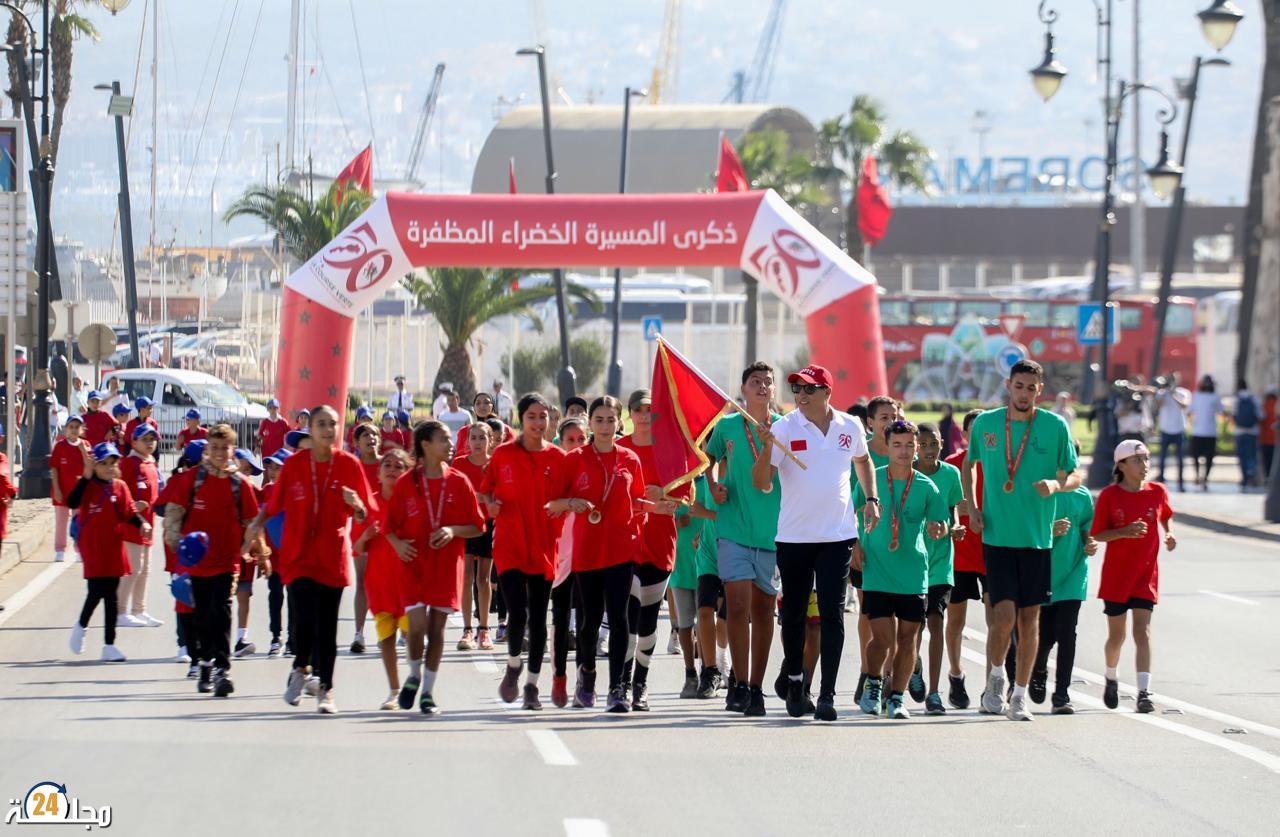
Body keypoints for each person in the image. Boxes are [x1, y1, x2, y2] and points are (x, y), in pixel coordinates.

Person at [752, 365, 880, 721]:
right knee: (793, 613)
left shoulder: (849, 426)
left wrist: (871, 498)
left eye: (809, 388)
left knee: (832, 614)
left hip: (837, 536)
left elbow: (863, 460)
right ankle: (796, 681)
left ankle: (826, 695)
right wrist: (766, 449)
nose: (801, 395)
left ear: (827, 392)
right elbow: (762, 482)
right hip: (794, 537)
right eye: (797, 389)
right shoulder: (783, 428)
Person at [963, 359, 1081, 722]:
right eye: (1019, 386)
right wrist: (972, 507)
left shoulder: (1054, 426)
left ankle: (1019, 695)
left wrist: (1057, 484)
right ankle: (996, 680)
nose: (1024, 393)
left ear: (1039, 391)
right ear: (1008, 385)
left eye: (1031, 388)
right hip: (998, 537)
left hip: (1037, 540)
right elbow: (969, 464)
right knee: (1003, 618)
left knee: (1030, 620)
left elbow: (1075, 475)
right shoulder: (987, 424)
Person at [248, 405, 376, 715]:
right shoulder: (294, 465)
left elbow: (366, 512)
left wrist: (357, 505)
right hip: (299, 555)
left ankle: (326, 689)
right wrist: (256, 525)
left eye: (333, 424)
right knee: (303, 618)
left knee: (327, 626)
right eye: (321, 424)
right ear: (311, 428)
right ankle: (300, 669)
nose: (328, 430)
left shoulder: (348, 464)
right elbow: (274, 504)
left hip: (332, 556)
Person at [549, 395, 647, 711]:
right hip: (588, 550)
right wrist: (571, 503)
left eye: (611, 420)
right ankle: (587, 675)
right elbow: (552, 503)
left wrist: (656, 507)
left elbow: (637, 501)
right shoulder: (574, 459)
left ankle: (617, 688)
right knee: (590, 619)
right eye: (599, 420)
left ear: (620, 423)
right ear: (590, 422)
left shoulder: (630, 459)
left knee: (618, 618)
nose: (605, 426)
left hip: (621, 549)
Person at [387, 421, 484, 715]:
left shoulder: (459, 481)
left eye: (450, 439)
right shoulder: (407, 482)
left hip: (445, 567)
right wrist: (397, 545)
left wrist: (453, 531)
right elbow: (389, 526)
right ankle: (414, 675)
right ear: (425, 445)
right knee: (416, 628)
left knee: (437, 630)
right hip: (413, 565)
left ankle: (428, 692)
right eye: (443, 439)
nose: (450, 443)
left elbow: (478, 526)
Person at [854, 420, 949, 719]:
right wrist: (855, 544)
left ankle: (896, 697)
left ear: (917, 448)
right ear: (887, 447)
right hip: (877, 570)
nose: (904, 451)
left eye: (909, 445)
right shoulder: (871, 480)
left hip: (913, 574)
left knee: (908, 640)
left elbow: (941, 522)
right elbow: (847, 513)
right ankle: (873, 683)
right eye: (897, 445)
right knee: (882, 639)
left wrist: (939, 529)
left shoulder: (926, 486)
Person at [482, 394, 570, 709]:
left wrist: (564, 504)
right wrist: (490, 505)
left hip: (545, 546)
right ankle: (513, 665)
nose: (538, 422)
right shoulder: (503, 454)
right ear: (521, 419)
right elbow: (485, 492)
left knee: (538, 618)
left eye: (542, 416)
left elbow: (570, 496)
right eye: (531, 416)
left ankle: (532, 685)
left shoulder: (558, 458)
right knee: (517, 613)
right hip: (509, 545)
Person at [705, 363, 782, 715]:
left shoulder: (785, 428)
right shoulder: (728, 426)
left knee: (764, 610)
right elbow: (707, 458)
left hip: (773, 532)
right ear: (744, 389)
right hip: (733, 529)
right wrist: (713, 486)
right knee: (736, 606)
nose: (762, 386)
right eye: (755, 382)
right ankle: (737, 681)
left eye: (768, 382)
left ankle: (755, 686)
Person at [164, 425, 264, 697]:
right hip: (197, 563)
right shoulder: (193, 479)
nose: (220, 453)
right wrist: (174, 541)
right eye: (215, 448)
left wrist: (258, 550)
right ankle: (205, 665)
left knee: (222, 612)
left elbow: (252, 522)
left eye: (225, 448)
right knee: (202, 616)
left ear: (233, 451)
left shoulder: (239, 484)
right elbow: (174, 513)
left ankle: (223, 669)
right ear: (207, 449)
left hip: (227, 562)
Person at [1091, 439, 1176, 714]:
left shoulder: (1157, 491)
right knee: (1117, 637)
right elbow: (1097, 534)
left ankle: (1144, 692)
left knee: (1143, 631)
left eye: (1146, 459)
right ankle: (1111, 676)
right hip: (1117, 578)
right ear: (1122, 465)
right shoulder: (1109, 496)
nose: (1145, 465)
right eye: (1138, 460)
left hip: (1145, 577)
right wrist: (1123, 532)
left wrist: (1169, 533)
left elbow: (1165, 515)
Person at [617, 389, 685, 711]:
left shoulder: (668, 451)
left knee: (647, 622)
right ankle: (621, 682)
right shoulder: (619, 449)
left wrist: (665, 493)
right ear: (630, 413)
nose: (644, 416)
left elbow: (686, 497)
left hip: (660, 543)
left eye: (650, 410)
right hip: (626, 544)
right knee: (628, 619)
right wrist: (643, 502)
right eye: (639, 410)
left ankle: (640, 684)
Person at [67, 442, 150, 662]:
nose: (108, 467)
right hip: (93, 547)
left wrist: (142, 523)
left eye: (112, 463)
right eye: (103, 463)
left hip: (113, 546)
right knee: (96, 591)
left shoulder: (120, 486)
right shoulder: (87, 485)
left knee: (111, 595)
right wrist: (85, 477)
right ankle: (81, 626)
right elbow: (72, 502)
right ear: (94, 465)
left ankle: (109, 645)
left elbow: (129, 512)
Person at [1030, 441, 1096, 715]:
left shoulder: (1082, 494)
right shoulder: (1041, 490)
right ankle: (1038, 667)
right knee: (1045, 635)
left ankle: (1062, 695)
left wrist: (1089, 542)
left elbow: (1086, 528)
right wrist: (1049, 530)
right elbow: (1026, 528)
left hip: (1074, 572)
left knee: (1067, 632)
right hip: (1044, 571)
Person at [351, 448, 413, 709]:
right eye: (387, 465)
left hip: (410, 584)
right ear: (378, 473)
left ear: (407, 473)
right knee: (386, 639)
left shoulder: (413, 503)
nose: (392, 470)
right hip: (380, 584)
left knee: (412, 638)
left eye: (399, 466)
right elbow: (356, 547)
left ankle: (415, 679)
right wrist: (366, 536)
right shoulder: (369, 505)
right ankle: (394, 691)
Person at [911, 422, 964, 715]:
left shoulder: (951, 474)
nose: (929, 450)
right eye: (923, 445)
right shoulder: (907, 473)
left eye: (933, 444)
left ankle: (934, 693)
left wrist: (954, 529)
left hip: (942, 562)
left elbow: (953, 514)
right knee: (914, 627)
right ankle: (914, 665)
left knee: (935, 621)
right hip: (912, 560)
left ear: (942, 444)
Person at [943, 409, 986, 709]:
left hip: (993, 551)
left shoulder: (999, 465)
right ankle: (956, 674)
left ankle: (996, 680)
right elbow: (944, 505)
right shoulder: (952, 464)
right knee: (955, 620)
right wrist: (959, 510)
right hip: (960, 555)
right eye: (974, 431)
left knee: (998, 620)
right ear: (966, 434)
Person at [548, 417, 588, 706]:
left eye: (581, 439)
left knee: (586, 622)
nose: (576, 445)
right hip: (559, 555)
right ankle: (559, 677)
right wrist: (568, 504)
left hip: (589, 554)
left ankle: (583, 682)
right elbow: (545, 506)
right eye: (570, 440)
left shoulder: (594, 468)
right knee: (561, 619)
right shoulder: (554, 470)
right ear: (560, 442)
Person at [452, 421, 496, 652]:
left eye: (482, 438)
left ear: (490, 440)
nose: (478, 442)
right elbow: (454, 493)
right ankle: (467, 629)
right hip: (465, 524)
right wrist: (474, 498)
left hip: (487, 524)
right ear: (467, 441)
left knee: (483, 578)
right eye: (474, 438)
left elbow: (500, 494)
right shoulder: (459, 463)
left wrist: (484, 498)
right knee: (466, 576)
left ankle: (484, 629)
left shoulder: (495, 463)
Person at [116, 426, 163, 628]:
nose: (150, 443)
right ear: (134, 442)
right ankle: (120, 612)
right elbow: (118, 491)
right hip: (132, 524)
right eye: (145, 439)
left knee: (145, 570)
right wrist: (133, 506)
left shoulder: (151, 463)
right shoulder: (128, 464)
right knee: (133, 569)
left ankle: (139, 610)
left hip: (148, 525)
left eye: (153, 439)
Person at [232, 448, 266, 657]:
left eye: (248, 470)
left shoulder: (253, 489)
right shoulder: (221, 485)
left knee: (244, 595)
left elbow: (259, 521)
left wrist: (261, 553)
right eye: (242, 467)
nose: (245, 473)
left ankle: (240, 639)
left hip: (246, 552)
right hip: (225, 549)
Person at [50, 415, 90, 563]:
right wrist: (57, 489)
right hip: (62, 491)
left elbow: (90, 466)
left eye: (77, 427)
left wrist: (83, 451)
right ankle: (60, 549)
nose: (74, 430)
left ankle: (79, 548)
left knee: (79, 521)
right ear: (66, 429)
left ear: (82, 429)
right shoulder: (60, 446)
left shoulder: (86, 445)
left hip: (79, 493)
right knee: (61, 522)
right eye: (71, 427)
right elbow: (54, 468)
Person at [1154, 374, 1190, 491]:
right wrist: (1165, 392)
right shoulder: (1162, 393)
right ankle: (1161, 481)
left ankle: (1181, 483)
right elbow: (1158, 405)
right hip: (1165, 430)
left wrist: (1173, 394)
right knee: (1162, 458)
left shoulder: (1183, 392)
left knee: (1180, 459)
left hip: (1179, 430)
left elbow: (1184, 406)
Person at [1187, 375, 1224, 491]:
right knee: (1195, 455)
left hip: (1211, 432)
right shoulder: (1196, 395)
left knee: (1209, 457)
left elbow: (1221, 410)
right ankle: (1197, 475)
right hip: (1197, 431)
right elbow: (1190, 410)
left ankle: (1206, 478)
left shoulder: (1215, 396)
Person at [455, 392, 514, 459]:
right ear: (474, 408)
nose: (482, 406)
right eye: (478, 403)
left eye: (486, 402)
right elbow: (458, 457)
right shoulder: (464, 431)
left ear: (493, 406)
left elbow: (514, 455)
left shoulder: (505, 430)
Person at [1232, 379, 1262, 490]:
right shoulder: (1254, 398)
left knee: (1242, 456)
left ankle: (1244, 479)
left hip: (1239, 432)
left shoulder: (1236, 399)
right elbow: (1261, 415)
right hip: (1252, 431)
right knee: (1251, 455)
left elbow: (1234, 415)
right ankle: (1251, 473)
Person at [1261, 392, 1278, 481]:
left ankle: (1267, 477)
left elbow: (1260, 420)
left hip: (1264, 439)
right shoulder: (1277, 406)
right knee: (1275, 461)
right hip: (1276, 439)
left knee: (1266, 460)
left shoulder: (1264, 406)